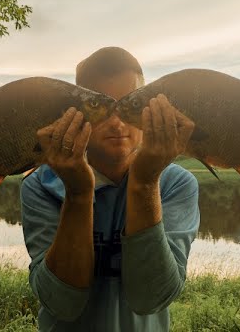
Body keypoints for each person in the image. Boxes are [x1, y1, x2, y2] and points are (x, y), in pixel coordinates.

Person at [21, 47, 200, 331]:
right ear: (73, 114)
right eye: (103, 108)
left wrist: (145, 182)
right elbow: (61, 304)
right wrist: (78, 194)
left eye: (130, 105)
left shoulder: (176, 184)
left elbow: (152, 299)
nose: (117, 122)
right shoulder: (41, 185)